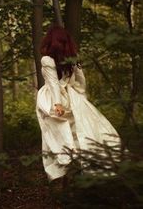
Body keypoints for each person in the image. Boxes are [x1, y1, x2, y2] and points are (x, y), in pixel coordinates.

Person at [36, 25, 122, 181]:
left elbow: (54, 83)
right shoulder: (73, 57)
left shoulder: (47, 59)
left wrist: (57, 104)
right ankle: (79, 166)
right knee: (79, 130)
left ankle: (66, 164)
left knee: (57, 132)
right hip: (71, 96)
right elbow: (81, 80)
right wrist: (81, 95)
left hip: (55, 98)